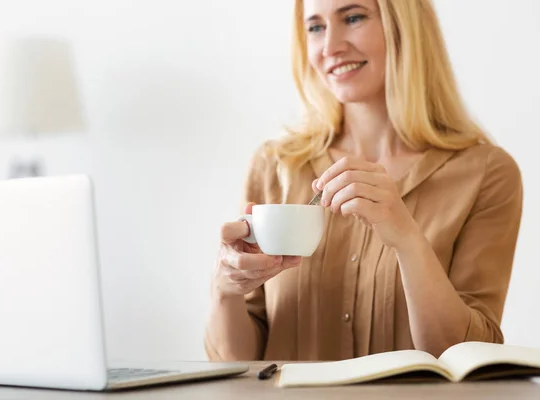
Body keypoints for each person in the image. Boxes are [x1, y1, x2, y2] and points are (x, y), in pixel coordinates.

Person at [204, 0, 523, 361]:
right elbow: (239, 365)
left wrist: (407, 239)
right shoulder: (274, 167)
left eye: (353, 17)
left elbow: (468, 356)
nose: (330, 47)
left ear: (405, 27)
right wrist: (224, 290)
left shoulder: (487, 175)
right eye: (315, 27)